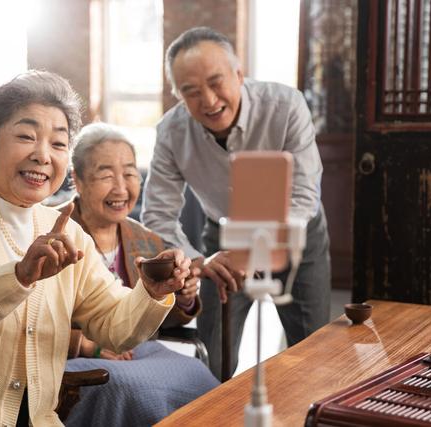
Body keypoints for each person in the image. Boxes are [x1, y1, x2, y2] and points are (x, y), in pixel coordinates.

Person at [0, 70, 191, 426]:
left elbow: (114, 328)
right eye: (26, 136)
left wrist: (151, 292)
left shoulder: (68, 234)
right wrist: (18, 276)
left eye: (58, 144)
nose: (43, 155)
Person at [141, 27, 331, 381]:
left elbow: (304, 195)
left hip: (296, 233)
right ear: (177, 94)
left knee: (312, 348)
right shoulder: (171, 132)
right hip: (223, 235)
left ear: (239, 75)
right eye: (191, 91)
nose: (209, 100)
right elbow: (158, 214)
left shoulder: (286, 106)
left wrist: (257, 247)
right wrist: (198, 262)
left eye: (216, 82)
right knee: (215, 351)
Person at [61, 122, 219, 426]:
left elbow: (160, 319)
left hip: (137, 352)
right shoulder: (53, 232)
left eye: (131, 174)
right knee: (125, 389)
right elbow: (27, 319)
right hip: (75, 356)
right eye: (106, 175)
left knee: (197, 375)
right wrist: (87, 345)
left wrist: (181, 298)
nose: (121, 188)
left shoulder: (146, 240)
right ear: (77, 180)